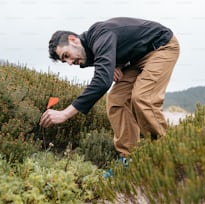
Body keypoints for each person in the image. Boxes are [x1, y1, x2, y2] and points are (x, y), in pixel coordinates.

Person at [40, 17, 180, 158]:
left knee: (143, 98)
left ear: (73, 40)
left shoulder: (100, 35)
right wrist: (115, 63)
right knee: (116, 100)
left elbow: (102, 81)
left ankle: (168, 153)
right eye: (65, 61)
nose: (70, 63)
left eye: (67, 55)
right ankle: (129, 157)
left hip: (161, 47)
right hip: (135, 59)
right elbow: (116, 53)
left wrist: (65, 113)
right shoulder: (89, 52)